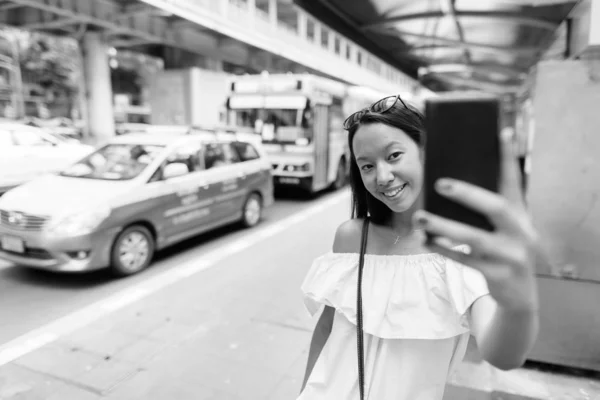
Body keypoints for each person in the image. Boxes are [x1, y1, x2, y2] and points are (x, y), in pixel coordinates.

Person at [298, 95, 541, 399]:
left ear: (427, 153)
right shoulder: (350, 236)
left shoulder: (461, 251)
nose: (382, 177)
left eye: (394, 155)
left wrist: (519, 305)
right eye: (367, 166)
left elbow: (503, 355)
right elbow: (326, 329)